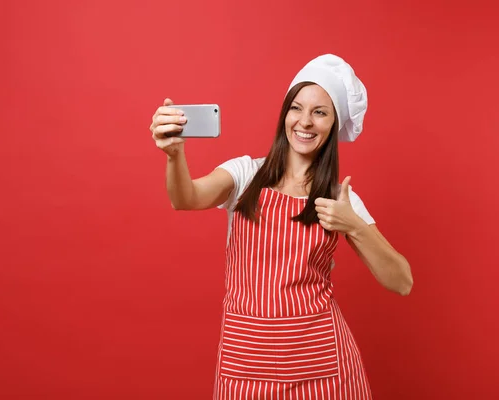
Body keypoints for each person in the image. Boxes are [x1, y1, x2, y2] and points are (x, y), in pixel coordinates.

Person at [150, 54, 413, 400]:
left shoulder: (340, 198)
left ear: (333, 125)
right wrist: (174, 155)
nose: (305, 122)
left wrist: (354, 226)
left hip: (321, 369)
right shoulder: (245, 175)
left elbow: (402, 281)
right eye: (297, 108)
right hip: (245, 364)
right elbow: (186, 197)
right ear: (285, 113)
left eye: (320, 112)